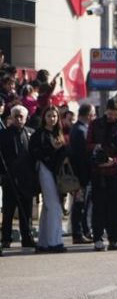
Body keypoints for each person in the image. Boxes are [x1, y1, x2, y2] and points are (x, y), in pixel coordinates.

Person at [88, 98, 117, 251]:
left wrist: (114, 160)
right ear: (105, 111)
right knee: (99, 205)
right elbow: (88, 143)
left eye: (115, 113)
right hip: (99, 171)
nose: (112, 116)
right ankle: (98, 238)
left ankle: (116, 239)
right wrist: (98, 148)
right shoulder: (95, 124)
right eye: (110, 113)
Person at [29, 106, 67, 253]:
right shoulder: (39, 134)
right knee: (54, 206)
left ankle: (44, 242)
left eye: (54, 116)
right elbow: (35, 152)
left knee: (48, 207)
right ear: (44, 117)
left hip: (57, 172)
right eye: (49, 116)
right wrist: (52, 149)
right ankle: (54, 242)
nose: (52, 119)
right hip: (44, 169)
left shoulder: (59, 133)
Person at [0, 105, 37, 252]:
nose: (19, 119)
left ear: (26, 118)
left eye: (21, 116)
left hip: (26, 179)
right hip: (9, 178)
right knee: (8, 211)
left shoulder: (31, 133)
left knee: (26, 212)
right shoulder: (3, 134)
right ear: (11, 117)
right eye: (16, 116)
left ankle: (27, 239)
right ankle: (6, 239)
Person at [69, 103, 95, 243]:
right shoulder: (80, 130)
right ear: (89, 114)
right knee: (79, 205)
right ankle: (77, 234)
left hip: (82, 174)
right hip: (81, 175)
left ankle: (84, 231)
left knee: (83, 205)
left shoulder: (81, 128)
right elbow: (80, 156)